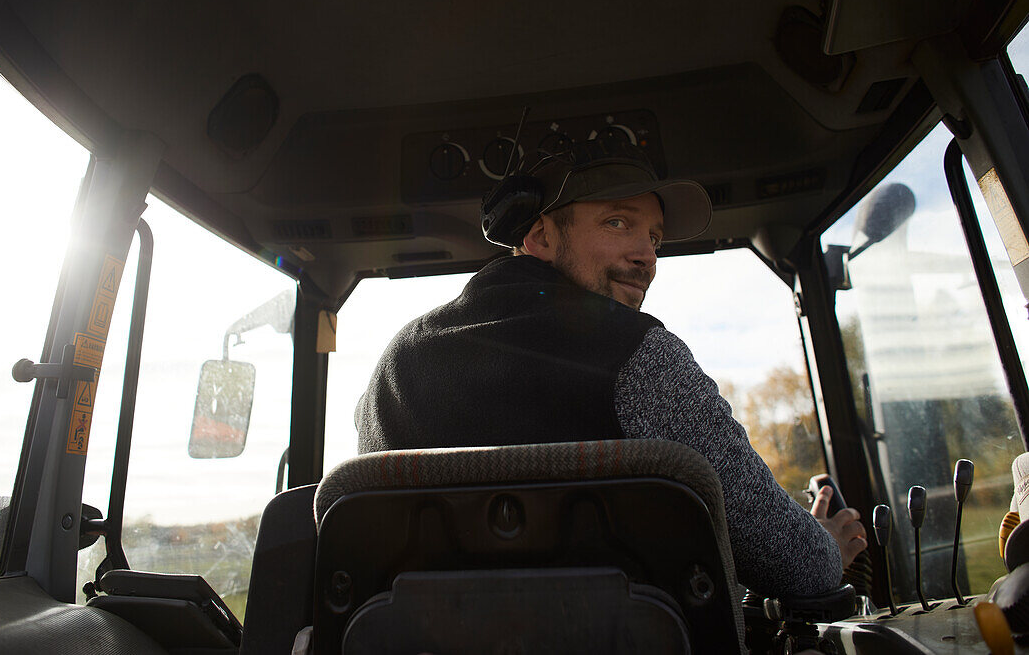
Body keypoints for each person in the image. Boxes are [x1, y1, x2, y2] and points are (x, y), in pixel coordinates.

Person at [355, 142, 866, 597]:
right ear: (540, 238)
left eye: (655, 238)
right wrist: (825, 545)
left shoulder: (394, 369)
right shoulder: (640, 356)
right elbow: (790, 561)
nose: (646, 256)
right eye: (617, 223)